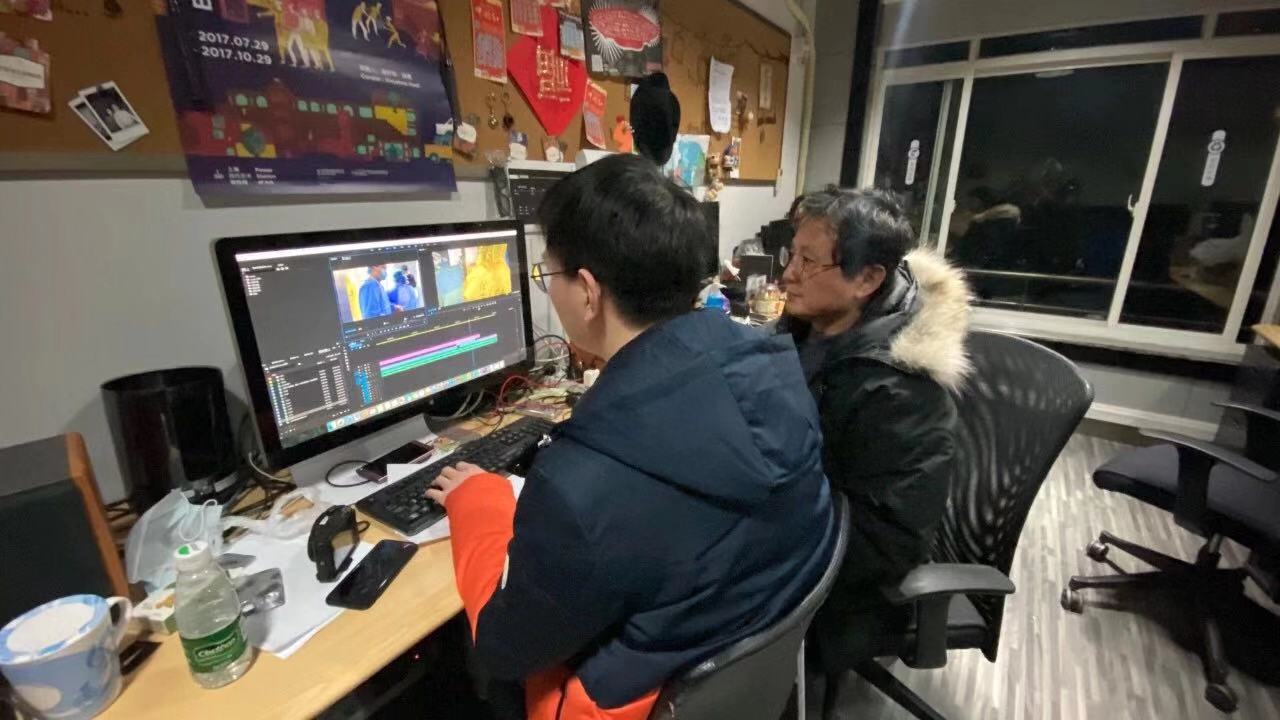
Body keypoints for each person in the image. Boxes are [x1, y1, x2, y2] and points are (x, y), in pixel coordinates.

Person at [425, 154, 837, 720]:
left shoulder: (579, 486)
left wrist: (477, 499)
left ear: (588, 292)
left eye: (548, 276)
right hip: (736, 658)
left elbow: (504, 647)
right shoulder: (778, 369)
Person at [775, 186, 972, 671]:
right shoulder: (807, 330)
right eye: (791, 255)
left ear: (866, 279)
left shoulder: (903, 393)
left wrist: (756, 538)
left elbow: (884, 546)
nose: (787, 274)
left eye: (807, 262)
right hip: (790, 530)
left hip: (841, 595)